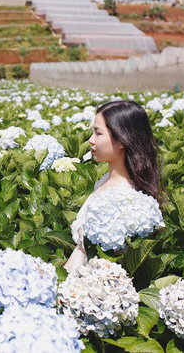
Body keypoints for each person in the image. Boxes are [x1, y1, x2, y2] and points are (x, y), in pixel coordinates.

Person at [64, 100, 162, 274]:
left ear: (122, 139)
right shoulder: (105, 180)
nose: (90, 140)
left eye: (98, 133)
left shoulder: (127, 198)